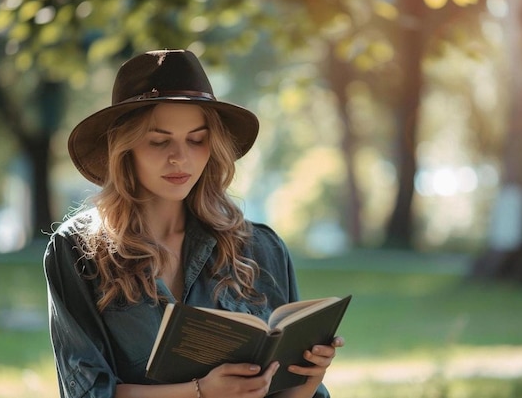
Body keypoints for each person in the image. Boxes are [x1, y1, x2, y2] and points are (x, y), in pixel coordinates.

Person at [43, 49, 344, 398]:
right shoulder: (79, 250)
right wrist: (199, 392)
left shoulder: (261, 247)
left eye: (196, 140)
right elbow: (85, 391)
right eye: (159, 140)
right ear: (125, 148)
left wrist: (307, 377)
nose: (180, 157)